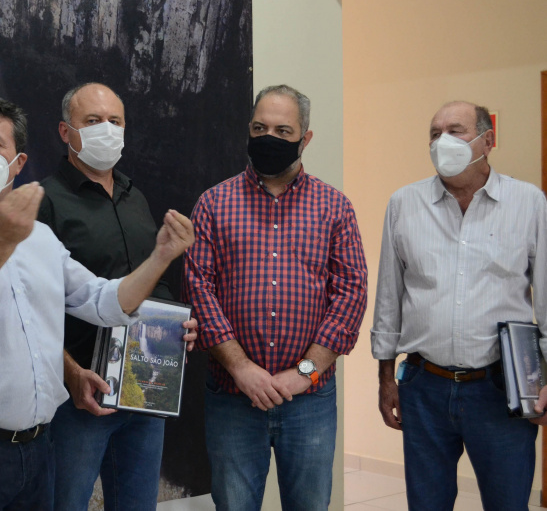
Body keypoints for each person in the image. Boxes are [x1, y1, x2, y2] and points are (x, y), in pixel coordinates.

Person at [0, 94, 196, 510]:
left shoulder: (39, 237)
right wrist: (2, 236)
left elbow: (102, 300)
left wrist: (161, 256)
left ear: (18, 163)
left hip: (40, 447)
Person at [183, 84, 368, 511]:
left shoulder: (334, 207)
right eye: (259, 127)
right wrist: (242, 367)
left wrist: (304, 372)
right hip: (232, 395)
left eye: (283, 131)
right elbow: (200, 288)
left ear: (305, 138)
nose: (270, 138)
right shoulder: (213, 204)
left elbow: (350, 294)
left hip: (309, 400)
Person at [372, 101, 547, 510]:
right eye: (435, 134)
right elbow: (388, 298)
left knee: (507, 503)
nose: (442, 142)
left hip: (501, 388)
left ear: (488, 140)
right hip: (423, 385)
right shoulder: (404, 204)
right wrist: (385, 377)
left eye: (456, 130)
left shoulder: (529, 203)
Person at [37, 82, 195, 511]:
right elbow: (32, 309)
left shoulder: (134, 196)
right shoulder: (44, 201)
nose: (106, 130)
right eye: (93, 121)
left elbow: (153, 281)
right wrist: (70, 371)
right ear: (65, 132)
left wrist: (179, 326)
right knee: (64, 502)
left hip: (144, 387)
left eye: (115, 121)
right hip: (81, 398)